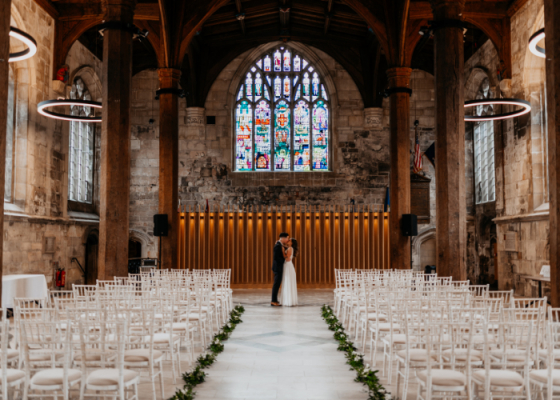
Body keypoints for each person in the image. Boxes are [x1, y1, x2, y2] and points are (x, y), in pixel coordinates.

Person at [271, 233, 289, 306]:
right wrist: (284, 260)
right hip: (278, 268)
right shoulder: (278, 246)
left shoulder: (280, 245)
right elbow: (276, 257)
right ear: (283, 238)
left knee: (277, 284)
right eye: (287, 238)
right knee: (276, 284)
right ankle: (273, 301)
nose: (288, 240)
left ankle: (275, 300)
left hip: (279, 267)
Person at [279, 238, 298, 306]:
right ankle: (288, 300)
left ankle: (287, 300)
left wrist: (283, 252)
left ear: (291, 243)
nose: (288, 241)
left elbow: (287, 258)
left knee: (287, 281)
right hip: (288, 266)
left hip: (288, 266)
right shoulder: (289, 248)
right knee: (287, 282)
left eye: (289, 240)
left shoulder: (290, 248)